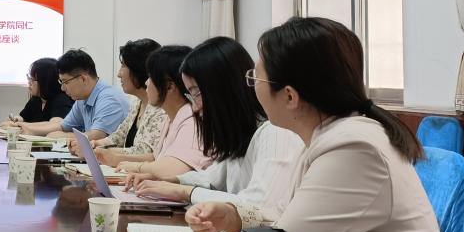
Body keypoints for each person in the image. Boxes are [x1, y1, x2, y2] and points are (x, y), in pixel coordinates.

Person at [185, 18, 443, 232]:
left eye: (255, 79)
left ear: (289, 96)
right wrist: (234, 216)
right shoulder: (330, 136)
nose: (252, 89)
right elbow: (289, 216)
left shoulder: (353, 149)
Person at [123, 37, 303, 215]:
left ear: (221, 91)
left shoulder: (276, 133)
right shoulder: (240, 135)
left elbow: (259, 206)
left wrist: (184, 191)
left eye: (196, 94)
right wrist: (169, 181)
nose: (195, 107)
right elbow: (212, 177)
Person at [113, 45, 210, 177]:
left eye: (151, 77)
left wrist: (137, 167)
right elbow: (156, 158)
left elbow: (172, 169)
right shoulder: (172, 117)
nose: (146, 83)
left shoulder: (191, 119)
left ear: (169, 86)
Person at [73, 39, 166, 166]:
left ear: (138, 69)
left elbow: (144, 152)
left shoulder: (162, 109)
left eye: (123, 66)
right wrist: (94, 144)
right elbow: (117, 137)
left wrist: (97, 152)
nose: (118, 74)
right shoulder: (136, 103)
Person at [15, 49, 128, 140]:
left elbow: (96, 136)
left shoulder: (109, 99)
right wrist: (26, 128)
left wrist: (61, 136)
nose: (62, 88)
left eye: (66, 82)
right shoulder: (82, 99)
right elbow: (63, 126)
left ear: (83, 79)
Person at [0, 58, 73, 126]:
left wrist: (22, 125)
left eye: (32, 79)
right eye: (29, 78)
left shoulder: (61, 100)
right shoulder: (36, 99)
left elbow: (55, 125)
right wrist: (16, 120)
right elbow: (23, 117)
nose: (29, 83)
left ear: (45, 82)